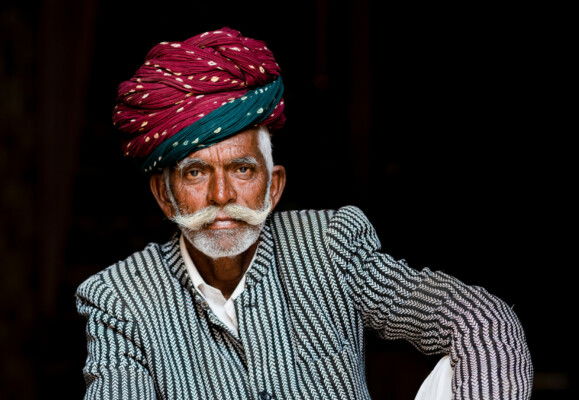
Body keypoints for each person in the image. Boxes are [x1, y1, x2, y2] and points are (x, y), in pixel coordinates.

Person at [75, 27, 533, 400]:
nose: (221, 194)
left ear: (273, 188)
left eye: (242, 168)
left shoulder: (329, 243)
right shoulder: (119, 299)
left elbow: (480, 321)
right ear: (164, 194)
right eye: (195, 173)